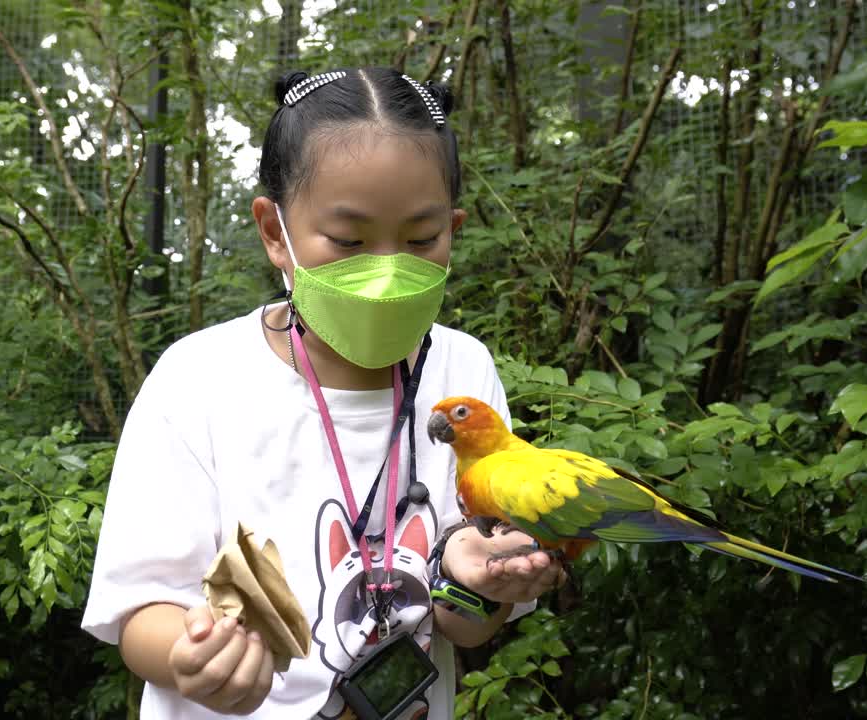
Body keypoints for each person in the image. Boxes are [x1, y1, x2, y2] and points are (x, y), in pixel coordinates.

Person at [81, 66, 565, 720]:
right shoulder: (198, 380)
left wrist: (480, 582)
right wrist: (190, 657)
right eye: (348, 240)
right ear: (274, 232)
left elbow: (467, 626)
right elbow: (140, 610)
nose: (387, 272)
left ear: (454, 227)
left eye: (422, 239)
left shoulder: (462, 373)